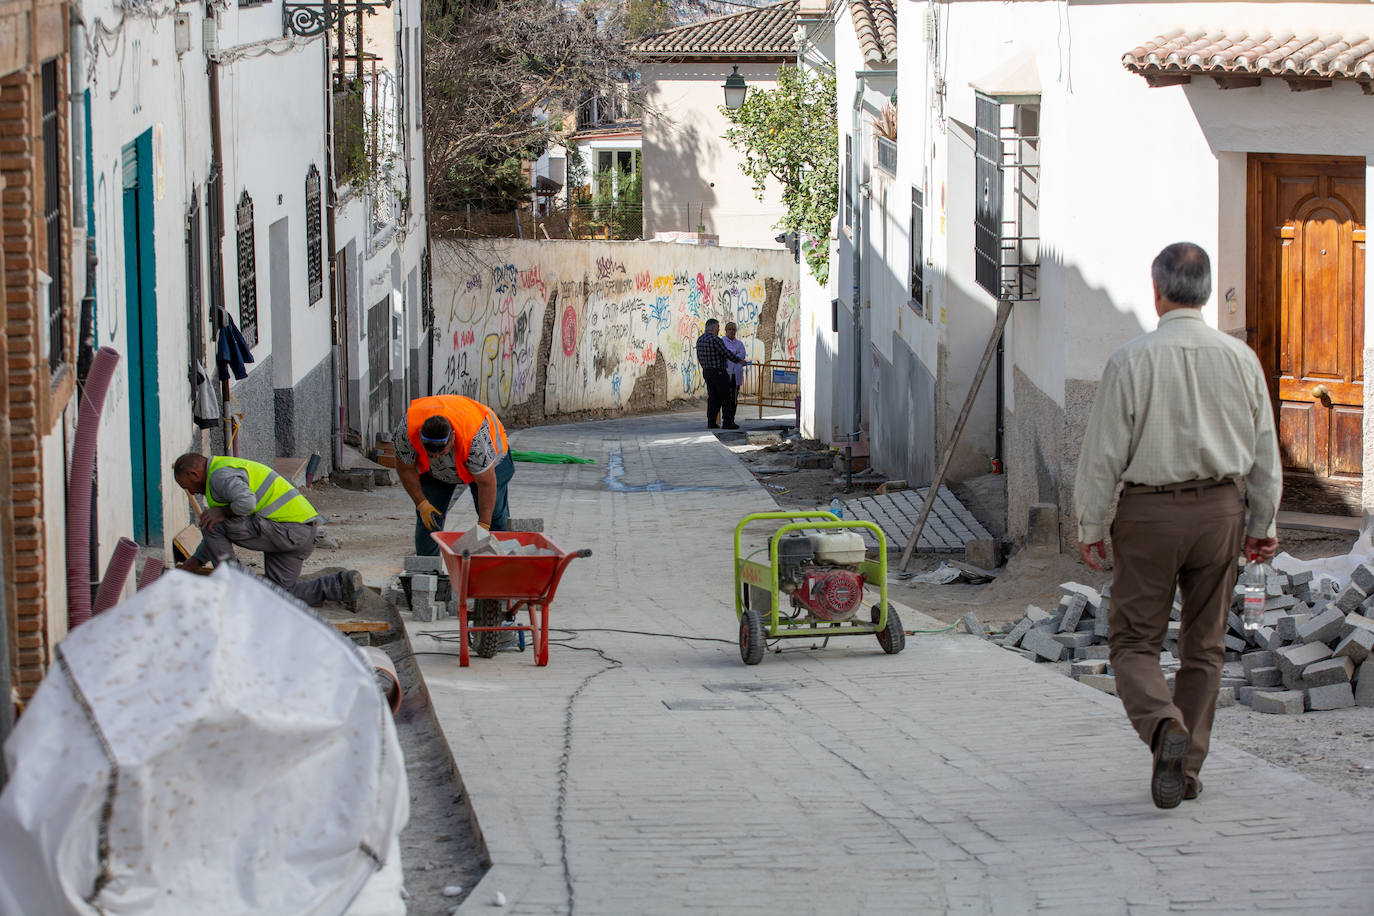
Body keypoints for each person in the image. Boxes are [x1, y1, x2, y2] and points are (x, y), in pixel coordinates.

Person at [1074, 242, 1281, 810]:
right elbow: (1265, 450)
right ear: (1207, 291)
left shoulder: (1131, 360)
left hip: (1149, 515)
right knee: (1205, 646)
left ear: (1157, 288)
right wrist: (1262, 521)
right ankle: (1186, 770)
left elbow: (1102, 456)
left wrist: (1091, 524)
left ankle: (1164, 727)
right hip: (1222, 512)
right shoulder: (1242, 360)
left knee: (1134, 641)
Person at [173, 453, 364, 609]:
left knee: (210, 519)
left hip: (287, 530)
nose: (190, 491)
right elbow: (217, 535)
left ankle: (234, 582)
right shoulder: (222, 470)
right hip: (301, 533)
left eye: (185, 486)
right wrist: (196, 560)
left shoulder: (219, 476)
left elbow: (246, 504)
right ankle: (339, 585)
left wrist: (221, 512)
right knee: (277, 596)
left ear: (194, 474)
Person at [393, 394, 515, 556]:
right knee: (429, 517)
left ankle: (502, 565)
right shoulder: (406, 431)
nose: (436, 457)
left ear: (453, 438)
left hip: (492, 463)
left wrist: (483, 526)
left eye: (441, 452)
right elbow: (405, 469)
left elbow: (487, 483)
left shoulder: (476, 440)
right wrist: (421, 504)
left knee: (494, 516)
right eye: (431, 453)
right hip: (436, 473)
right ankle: (427, 569)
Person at [695, 318, 749, 430]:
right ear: (714, 328)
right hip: (719, 372)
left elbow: (699, 357)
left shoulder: (700, 340)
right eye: (718, 328)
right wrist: (739, 360)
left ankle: (711, 422)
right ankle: (728, 422)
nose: (719, 330)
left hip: (707, 371)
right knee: (726, 398)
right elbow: (726, 353)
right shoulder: (715, 340)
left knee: (712, 398)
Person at [722, 321, 748, 426]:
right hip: (726, 373)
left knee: (734, 399)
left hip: (736, 374)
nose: (732, 331)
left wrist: (733, 353)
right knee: (726, 398)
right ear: (726, 330)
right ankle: (726, 419)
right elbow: (726, 354)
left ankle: (732, 419)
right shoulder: (722, 341)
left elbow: (742, 355)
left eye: (733, 329)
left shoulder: (739, 343)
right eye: (730, 329)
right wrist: (734, 353)